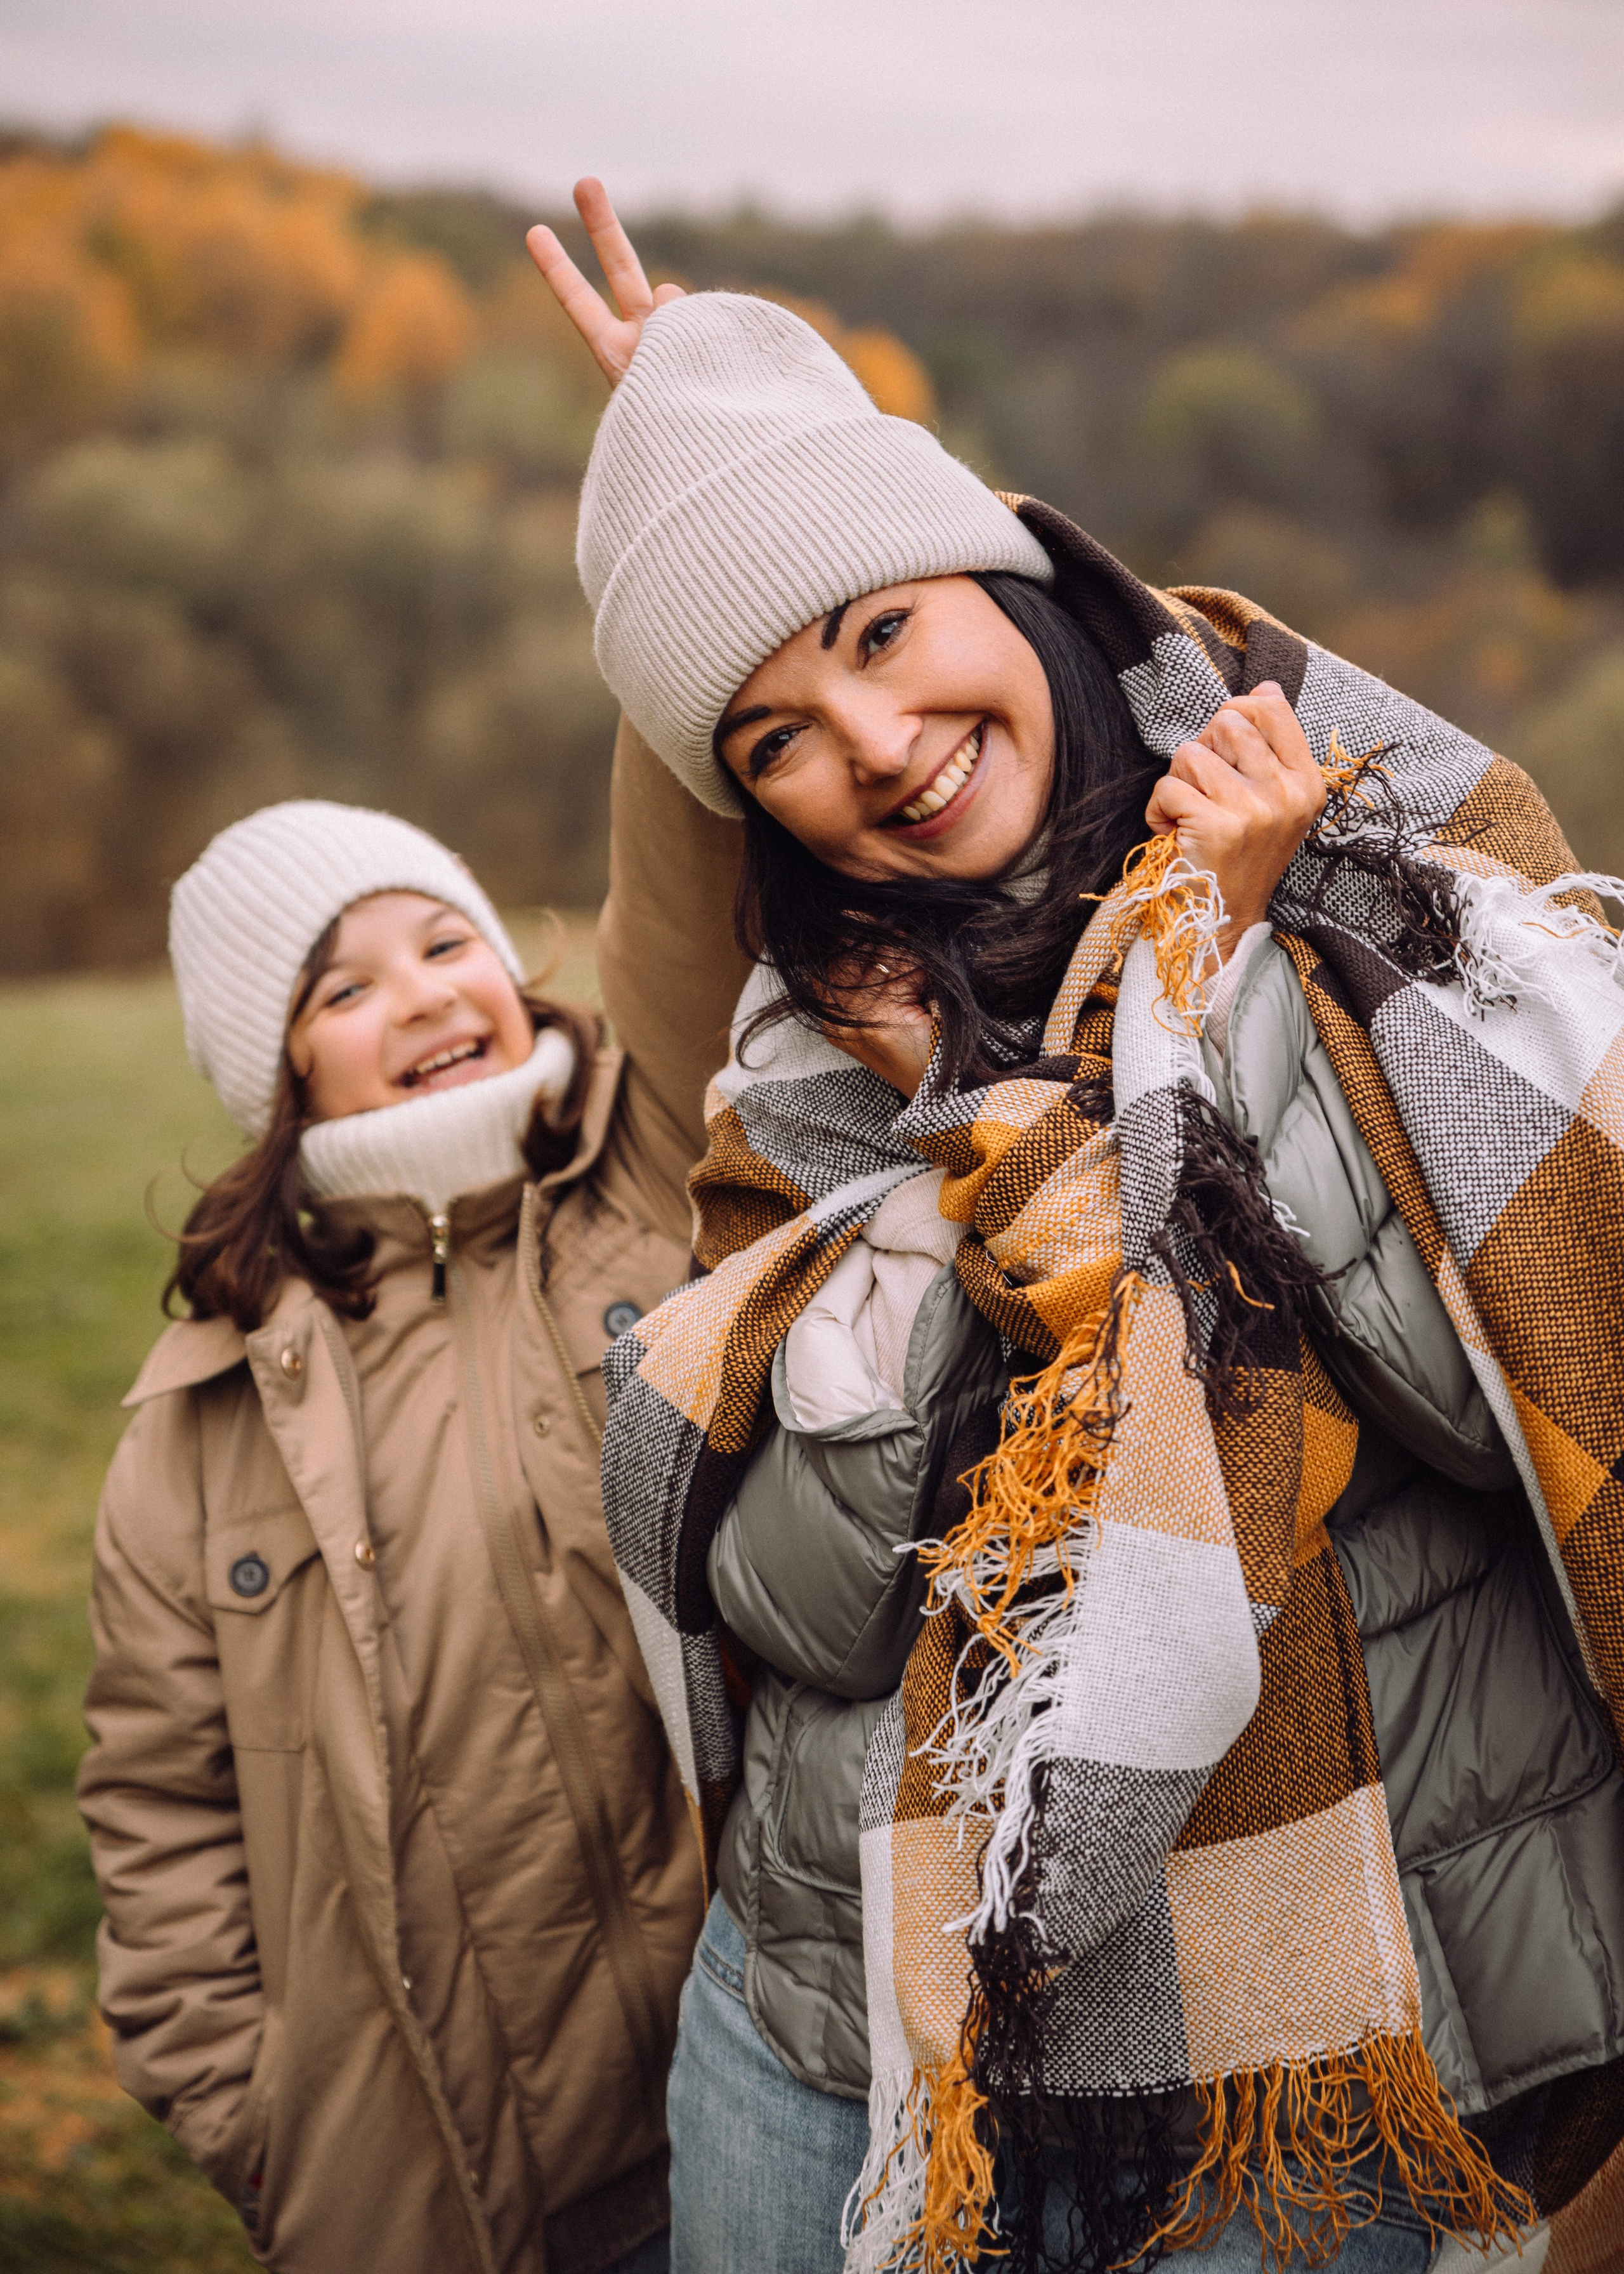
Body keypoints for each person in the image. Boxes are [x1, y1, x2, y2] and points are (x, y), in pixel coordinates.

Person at [530, 186, 1624, 2274]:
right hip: (846, 2006)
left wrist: (1242, 959)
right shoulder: (805, 1054)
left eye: (882, 631)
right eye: (773, 736)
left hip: (1301, 2022)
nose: (873, 747)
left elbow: (1488, 1385)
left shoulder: (1383, 855)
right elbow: (804, 1598)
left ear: (1007, 582)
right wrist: (962, 1228)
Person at [76, 759, 749, 2274]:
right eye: (344, 988)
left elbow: (685, 879)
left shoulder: (655, 1174)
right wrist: (252, 2109)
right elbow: (157, 1805)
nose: (427, 996)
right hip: (447, 2178)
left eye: (445, 944)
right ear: (280, 1069)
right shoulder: (204, 1427)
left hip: (762, 2099)